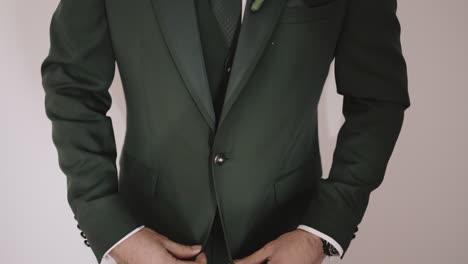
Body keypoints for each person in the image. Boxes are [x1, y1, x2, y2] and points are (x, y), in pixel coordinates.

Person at [40, 0, 410, 263]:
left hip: (283, 233)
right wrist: (112, 228)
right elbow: (73, 87)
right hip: (151, 234)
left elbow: (377, 97)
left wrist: (320, 232)